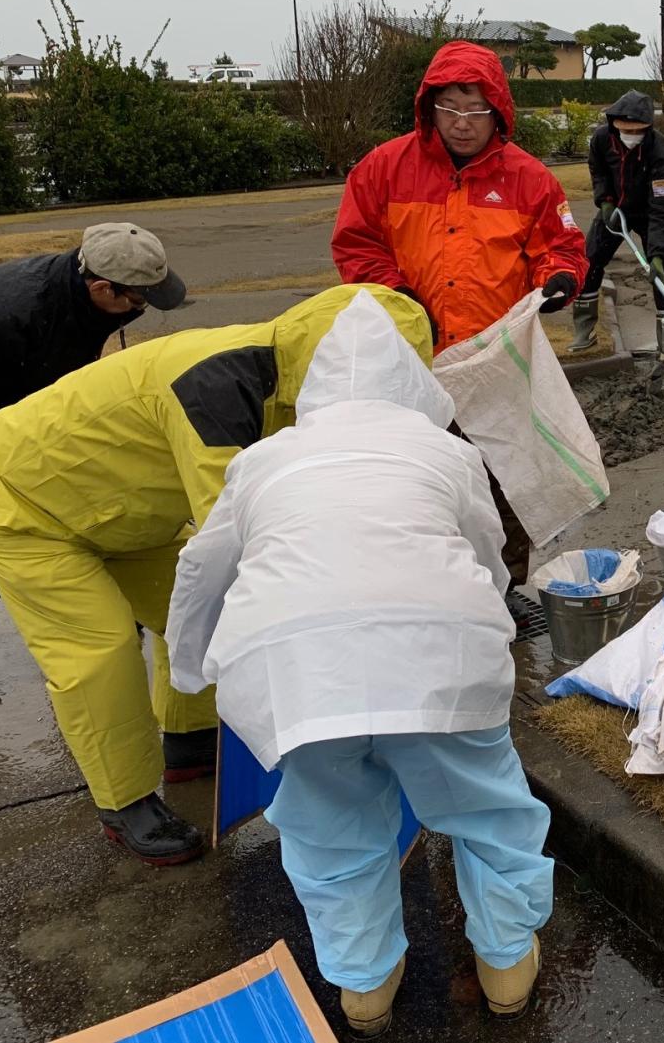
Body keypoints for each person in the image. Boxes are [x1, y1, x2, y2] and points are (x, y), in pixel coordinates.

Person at [167, 293, 551, 1038]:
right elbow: (481, 548)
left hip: (296, 675)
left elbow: (200, 568)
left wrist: (190, 667)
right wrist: (489, 614)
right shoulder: (446, 450)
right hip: (440, 658)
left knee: (330, 828)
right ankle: (506, 962)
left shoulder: (262, 460)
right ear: (410, 385)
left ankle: (365, 986)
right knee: (486, 810)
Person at [0, 285, 433, 866]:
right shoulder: (217, 386)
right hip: (20, 499)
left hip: (122, 507)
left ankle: (187, 739)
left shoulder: (295, 378)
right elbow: (245, 536)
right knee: (98, 652)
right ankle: (124, 801)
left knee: (198, 608)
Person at [0, 223, 186, 716]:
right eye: (139, 300)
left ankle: (105, 606)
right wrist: (7, 482)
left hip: (2, 411)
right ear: (102, 287)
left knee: (82, 501)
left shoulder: (82, 295)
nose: (142, 309)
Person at [331, 40, 588, 594]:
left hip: (496, 364)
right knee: (417, 480)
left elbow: (561, 245)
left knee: (504, 480)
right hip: (409, 362)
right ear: (429, 107)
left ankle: (504, 591)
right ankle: (426, 590)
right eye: (450, 109)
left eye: (476, 110)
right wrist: (398, 294)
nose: (463, 124)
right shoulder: (384, 169)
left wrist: (560, 277)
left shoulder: (530, 179)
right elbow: (356, 245)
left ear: (498, 110)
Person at [573, 90, 664, 370]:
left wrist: (658, 253)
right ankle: (583, 331)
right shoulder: (602, 139)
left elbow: (662, 205)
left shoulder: (660, 151)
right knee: (589, 261)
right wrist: (604, 201)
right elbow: (597, 169)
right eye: (626, 129)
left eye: (638, 130)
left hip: (651, 212)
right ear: (614, 123)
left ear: (648, 128)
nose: (631, 134)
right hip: (614, 209)